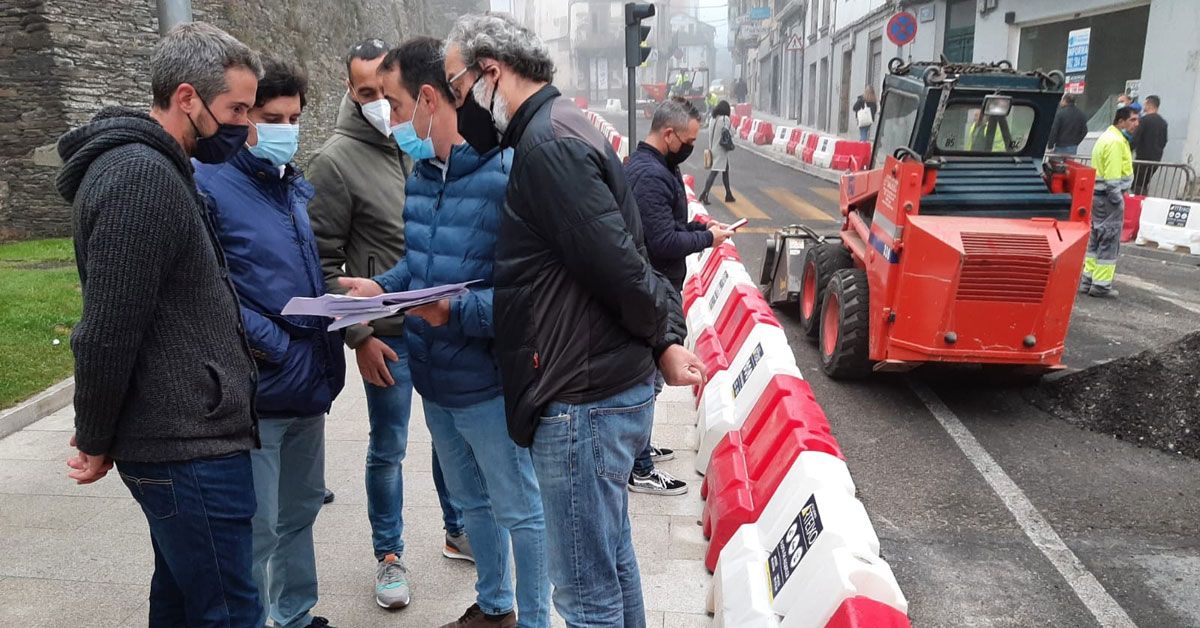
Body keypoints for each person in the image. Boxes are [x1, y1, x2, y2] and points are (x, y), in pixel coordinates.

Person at [445, 14, 706, 627]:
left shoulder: (549, 146)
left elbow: (618, 264)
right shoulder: (561, 127)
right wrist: (662, 339)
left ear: (491, 74)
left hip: (580, 394)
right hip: (595, 380)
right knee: (610, 561)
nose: (461, 110)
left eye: (458, 91)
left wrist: (666, 335)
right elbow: (615, 253)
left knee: (585, 593)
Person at [337, 37, 550, 628]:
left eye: (399, 106)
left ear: (431, 98)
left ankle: (535, 618)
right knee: (471, 502)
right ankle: (495, 603)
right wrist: (382, 289)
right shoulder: (423, 175)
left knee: (518, 507)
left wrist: (453, 313)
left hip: (486, 380)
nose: (395, 121)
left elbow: (527, 296)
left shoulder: (507, 174)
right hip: (434, 376)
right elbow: (422, 267)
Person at [55, 22, 262, 626]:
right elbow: (107, 330)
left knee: (181, 602)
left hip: (189, 437)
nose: (246, 126)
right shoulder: (141, 178)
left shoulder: (155, 168)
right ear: (187, 98)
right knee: (229, 611)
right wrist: (93, 437)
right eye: (237, 108)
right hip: (187, 445)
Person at [306, 38, 469, 611]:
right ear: (351, 92)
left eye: (388, 92)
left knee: (452, 440)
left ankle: (458, 529)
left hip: (443, 325)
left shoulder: (423, 141)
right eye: (367, 92)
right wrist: (360, 336)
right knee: (389, 447)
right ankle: (389, 555)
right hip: (388, 338)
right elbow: (321, 263)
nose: (380, 103)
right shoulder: (334, 161)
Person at [194, 57, 344, 628]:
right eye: (271, 116)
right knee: (255, 526)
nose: (285, 128)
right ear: (243, 116)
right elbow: (210, 289)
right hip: (260, 387)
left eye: (295, 117)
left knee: (299, 511)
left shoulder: (285, 184)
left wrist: (342, 305)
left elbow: (301, 271)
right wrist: (273, 347)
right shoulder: (209, 183)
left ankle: (296, 614)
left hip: (308, 382)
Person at [625, 98, 735, 497]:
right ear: (667, 134)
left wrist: (702, 225)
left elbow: (668, 224)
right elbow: (663, 240)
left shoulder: (659, 168)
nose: (691, 147)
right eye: (687, 140)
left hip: (657, 284)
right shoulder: (649, 175)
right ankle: (638, 467)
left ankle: (640, 449)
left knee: (650, 379)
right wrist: (706, 238)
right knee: (648, 380)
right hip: (652, 287)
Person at [1080, 106, 1138, 299]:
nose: (1136, 124)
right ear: (1121, 121)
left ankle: (1087, 280)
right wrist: (1117, 199)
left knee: (1095, 239)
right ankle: (1101, 285)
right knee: (1109, 240)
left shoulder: (1107, 137)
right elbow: (1113, 177)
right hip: (1108, 197)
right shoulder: (1115, 142)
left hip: (1099, 196)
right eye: (1132, 120)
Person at [699, 100, 734, 205]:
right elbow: (731, 132)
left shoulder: (712, 119)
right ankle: (704, 194)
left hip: (713, 149)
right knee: (714, 173)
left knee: (725, 170)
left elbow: (711, 135)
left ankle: (728, 194)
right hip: (721, 150)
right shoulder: (725, 119)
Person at [1131, 94, 1168, 195]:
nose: (1144, 107)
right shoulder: (1163, 123)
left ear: (1148, 104)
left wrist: (1127, 150)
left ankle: (1138, 204)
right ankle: (1143, 201)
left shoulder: (1144, 120)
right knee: (1144, 183)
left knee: (1137, 184)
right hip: (1155, 160)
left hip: (1142, 159)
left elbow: (1135, 139)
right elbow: (1164, 141)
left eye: (1145, 104)